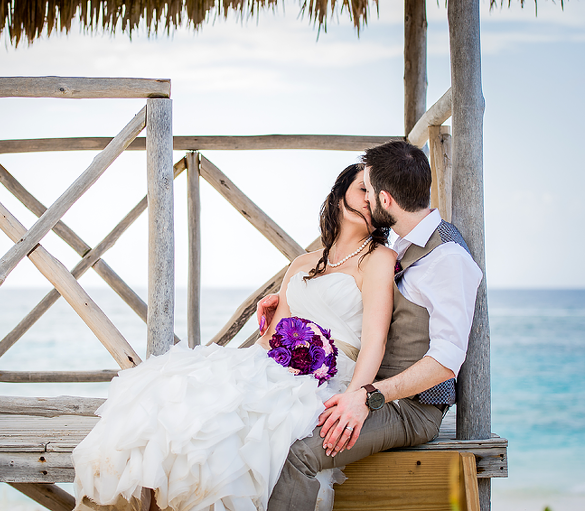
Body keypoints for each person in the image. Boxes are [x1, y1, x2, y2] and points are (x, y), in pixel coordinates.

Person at [72, 163, 397, 511]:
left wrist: (354, 400)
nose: (369, 198)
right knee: (180, 406)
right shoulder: (303, 263)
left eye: (376, 193)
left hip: (324, 381)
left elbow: (374, 342)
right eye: (362, 188)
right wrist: (239, 368)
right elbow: (272, 335)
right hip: (271, 364)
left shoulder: (378, 260)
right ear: (339, 195)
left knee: (237, 442)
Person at [260, 140, 483, 511]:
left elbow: (447, 359)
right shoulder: (403, 238)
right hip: (368, 389)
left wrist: (368, 397)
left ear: (386, 199)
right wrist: (291, 308)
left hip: (410, 407)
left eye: (369, 190)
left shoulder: (447, 258)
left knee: (299, 453)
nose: (365, 198)